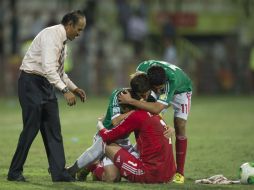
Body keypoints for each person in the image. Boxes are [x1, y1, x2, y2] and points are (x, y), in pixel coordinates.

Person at [7, 10, 87, 182]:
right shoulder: (51, 36)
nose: (79, 34)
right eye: (78, 29)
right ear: (69, 25)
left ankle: (59, 173)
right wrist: (65, 91)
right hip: (31, 82)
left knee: (53, 129)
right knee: (31, 128)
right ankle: (14, 172)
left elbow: (60, 73)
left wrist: (74, 88)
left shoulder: (63, 41)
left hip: (45, 84)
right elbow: (48, 69)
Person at [67, 72, 153, 182]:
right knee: (112, 177)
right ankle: (73, 170)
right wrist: (136, 111)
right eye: (142, 95)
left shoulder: (146, 98)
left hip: (124, 141)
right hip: (106, 135)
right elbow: (116, 121)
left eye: (147, 93)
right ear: (134, 91)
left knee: (121, 176)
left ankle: (94, 166)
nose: (145, 98)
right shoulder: (119, 95)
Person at [118, 60, 192, 184]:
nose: (158, 91)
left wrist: (130, 101)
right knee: (147, 120)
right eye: (155, 88)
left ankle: (180, 173)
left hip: (181, 91)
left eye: (160, 88)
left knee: (179, 126)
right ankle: (139, 158)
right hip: (158, 88)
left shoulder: (171, 81)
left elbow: (157, 108)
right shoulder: (142, 69)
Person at [96, 103, 176, 183]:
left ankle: (95, 165)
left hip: (149, 174)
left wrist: (100, 124)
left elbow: (108, 137)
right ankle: (107, 164)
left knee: (111, 175)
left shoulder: (137, 115)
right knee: (114, 175)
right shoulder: (156, 114)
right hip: (169, 175)